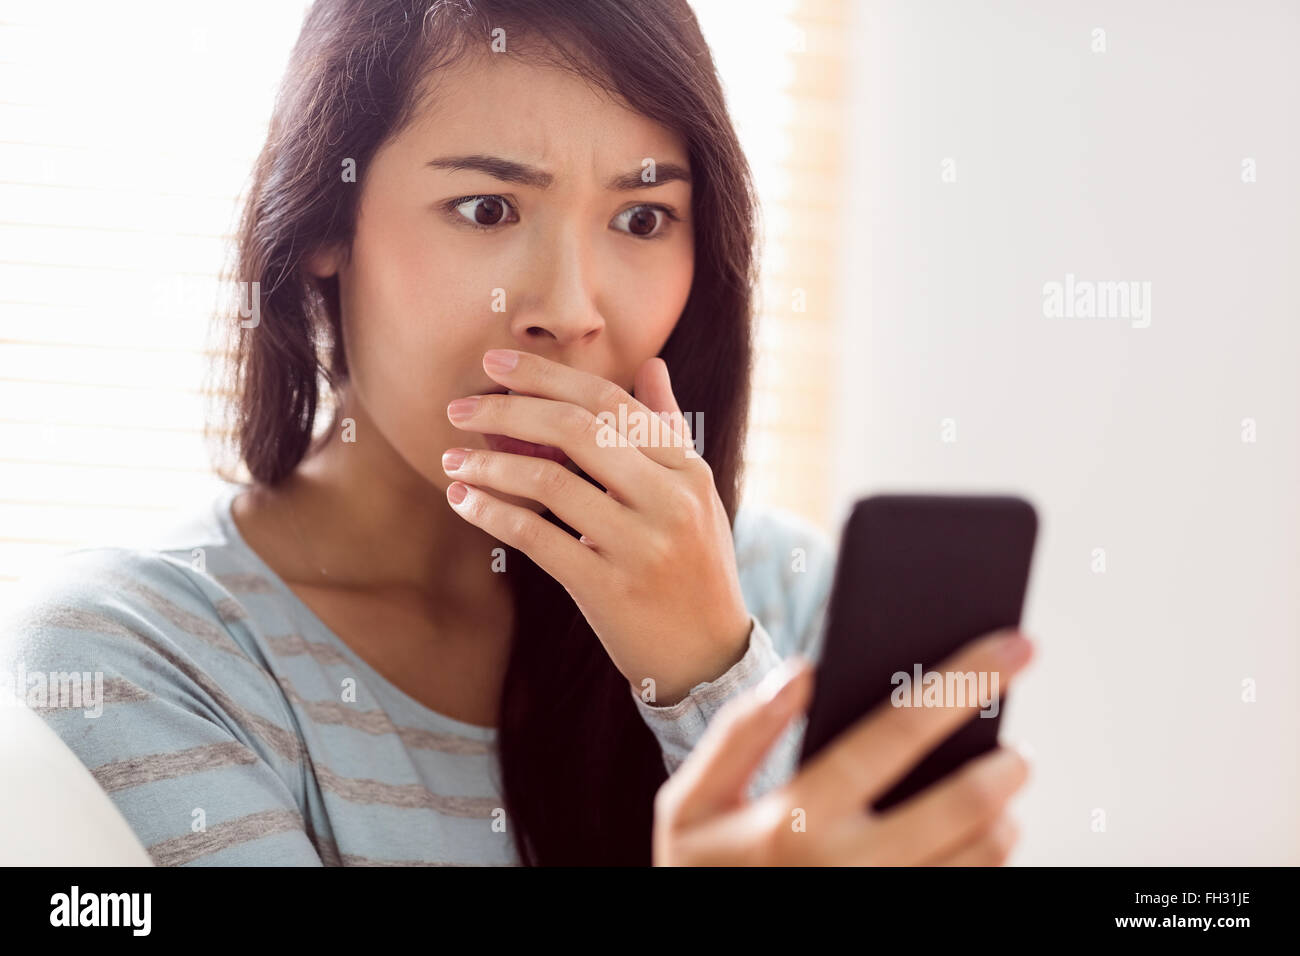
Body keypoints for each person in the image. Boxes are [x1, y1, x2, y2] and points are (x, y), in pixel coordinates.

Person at [0, 0, 1030, 865]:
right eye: (487, 208)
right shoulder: (136, 655)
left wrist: (709, 672)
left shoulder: (790, 599)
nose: (570, 308)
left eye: (640, 219)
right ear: (325, 223)